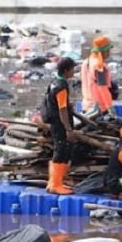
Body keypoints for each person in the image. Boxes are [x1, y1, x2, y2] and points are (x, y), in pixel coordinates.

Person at [41, 57, 78, 195]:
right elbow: (62, 110)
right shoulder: (61, 87)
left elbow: (57, 103)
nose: (74, 71)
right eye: (72, 69)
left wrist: (68, 106)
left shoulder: (54, 81)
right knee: (61, 152)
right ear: (66, 70)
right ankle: (56, 185)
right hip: (60, 123)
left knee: (60, 150)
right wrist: (68, 129)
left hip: (55, 121)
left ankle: (54, 182)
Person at [81, 36, 115, 116]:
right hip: (99, 109)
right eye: (108, 50)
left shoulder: (86, 62)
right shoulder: (98, 66)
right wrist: (110, 108)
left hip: (86, 106)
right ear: (104, 51)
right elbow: (103, 88)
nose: (109, 53)